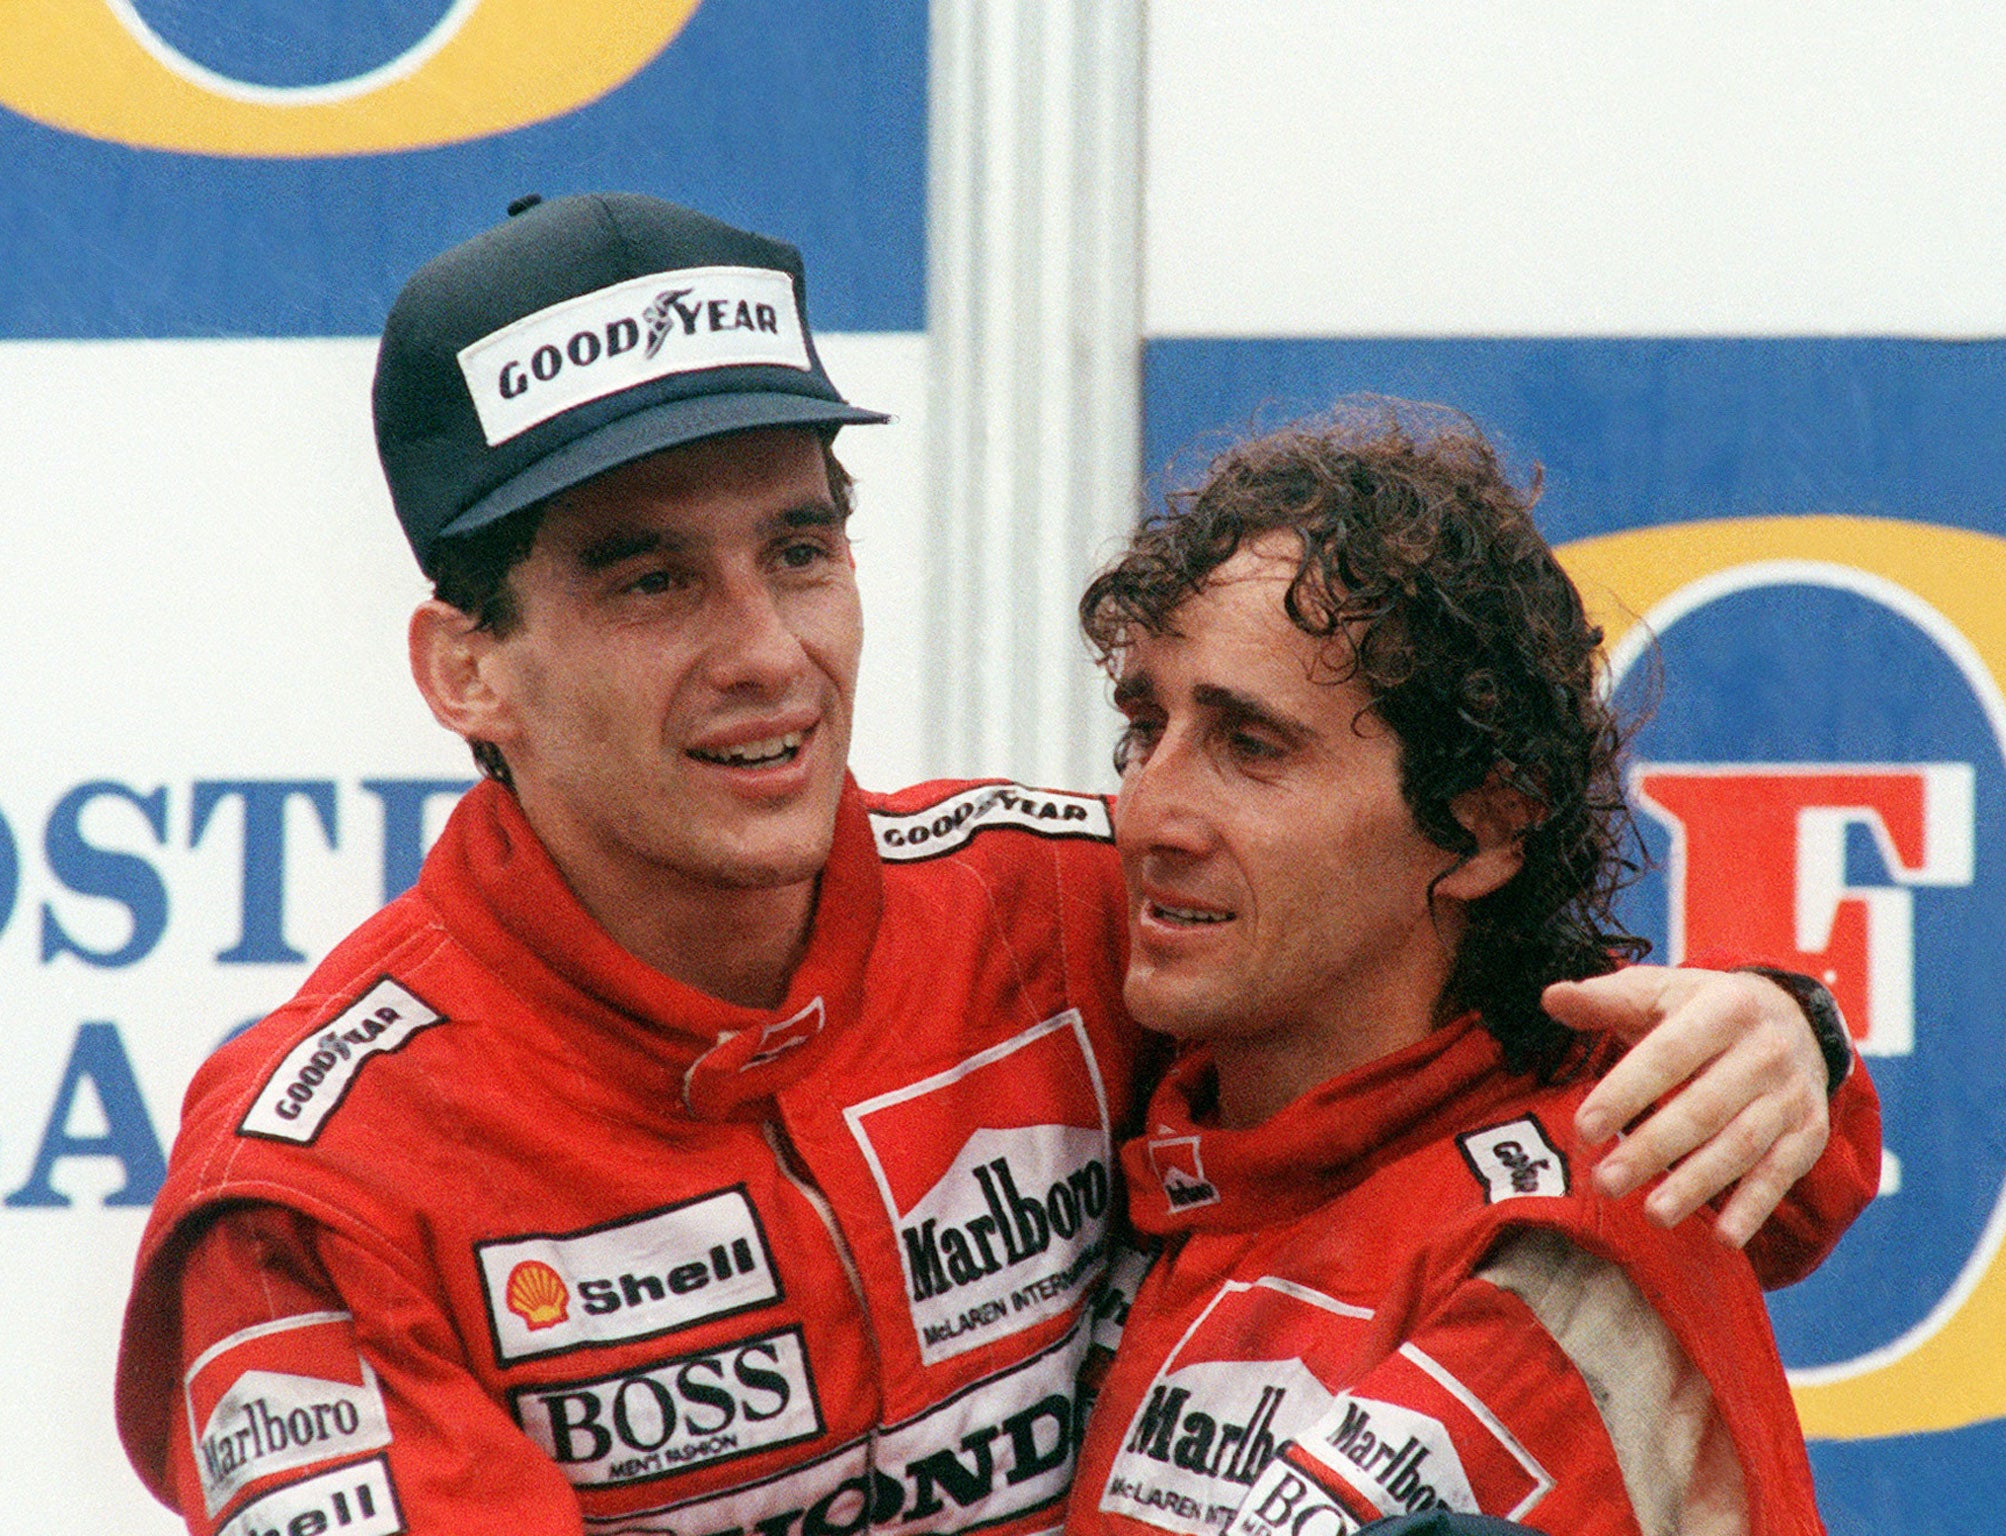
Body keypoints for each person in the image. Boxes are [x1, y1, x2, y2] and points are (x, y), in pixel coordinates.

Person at [112, 196, 1871, 1536]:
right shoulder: (313, 1193)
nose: (765, 652)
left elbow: (1453, 1063)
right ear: (465, 668)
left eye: (799, 549)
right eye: (650, 580)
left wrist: (1785, 1038)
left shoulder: (1052, 908)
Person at [1064, 408, 1878, 1536]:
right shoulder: (1129, 1096)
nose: (1146, 811)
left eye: (1251, 748)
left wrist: (1801, 1036)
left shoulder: (1563, 1251)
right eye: (1143, 729)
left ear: (1486, 829)